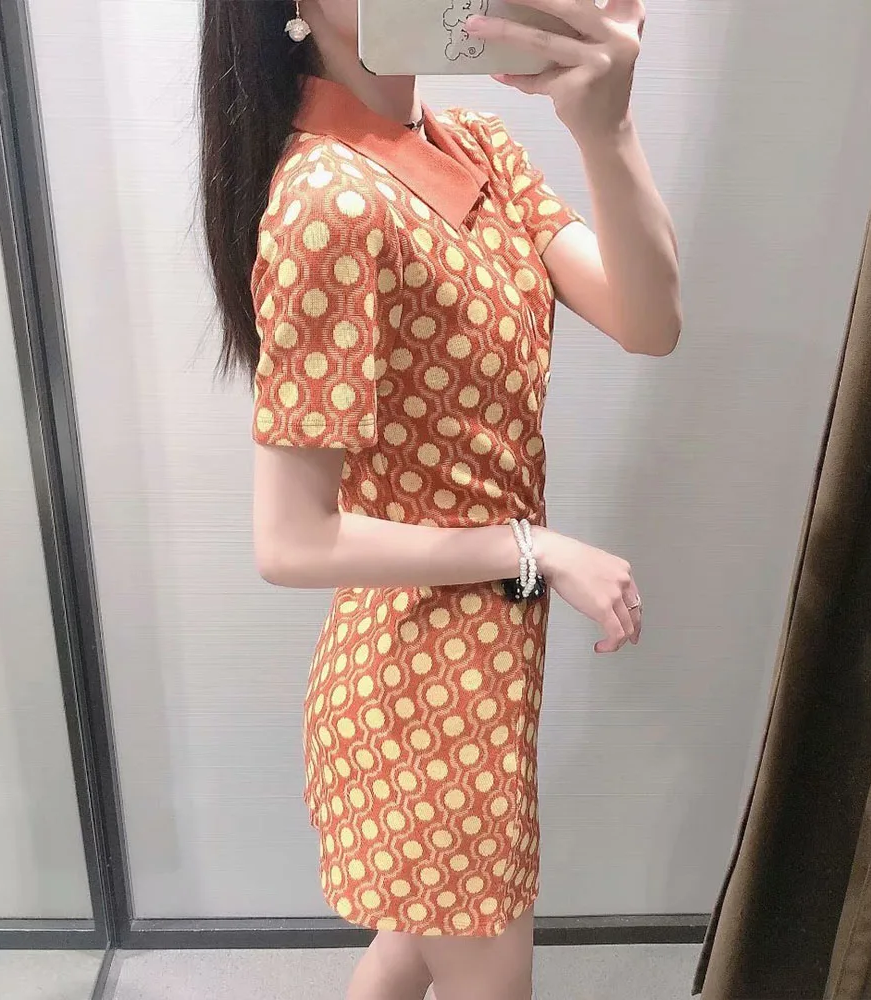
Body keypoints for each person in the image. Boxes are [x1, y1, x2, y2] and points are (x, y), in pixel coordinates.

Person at [199, 1, 679, 997]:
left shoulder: (475, 146)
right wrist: (534, 548)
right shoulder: (330, 201)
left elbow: (649, 321)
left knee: (412, 946)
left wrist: (606, 128)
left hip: (478, 661)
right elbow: (290, 541)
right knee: (480, 970)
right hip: (420, 693)